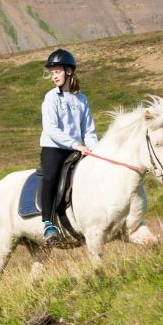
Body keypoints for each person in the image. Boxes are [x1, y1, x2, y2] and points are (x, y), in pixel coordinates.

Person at [38, 48, 98, 241]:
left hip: (75, 149)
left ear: (69, 71)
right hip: (54, 148)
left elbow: (88, 130)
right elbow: (51, 129)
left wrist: (95, 151)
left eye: (57, 71)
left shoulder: (82, 99)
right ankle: (48, 223)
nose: (54, 76)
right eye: (52, 72)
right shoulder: (51, 97)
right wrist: (76, 144)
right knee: (51, 176)